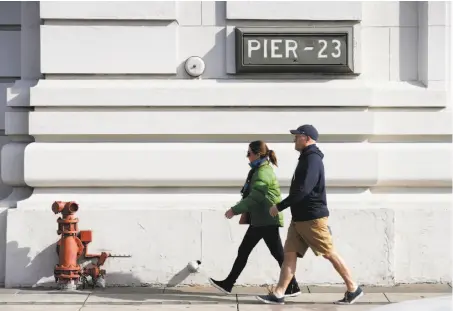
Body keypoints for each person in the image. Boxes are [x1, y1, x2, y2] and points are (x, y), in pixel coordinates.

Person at [256, 125, 363, 305]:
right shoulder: (306, 158)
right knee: (289, 254)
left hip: (312, 218)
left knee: (329, 252)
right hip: (299, 218)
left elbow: (303, 190)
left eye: (297, 136)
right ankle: (279, 293)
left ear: (306, 138)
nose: (294, 139)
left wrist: (280, 206)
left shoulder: (312, 159)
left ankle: (353, 288)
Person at [209, 140, 300, 297]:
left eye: (249, 153)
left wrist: (234, 210)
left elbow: (255, 197)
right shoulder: (260, 170)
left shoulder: (263, 172)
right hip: (262, 219)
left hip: (267, 219)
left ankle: (292, 286)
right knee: (249, 251)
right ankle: (229, 283)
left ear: (258, 154)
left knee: (275, 254)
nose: (247, 157)